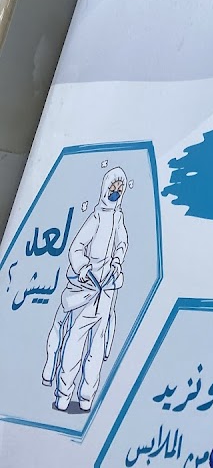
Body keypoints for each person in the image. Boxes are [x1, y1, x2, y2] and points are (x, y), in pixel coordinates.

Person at [42, 167, 128, 411]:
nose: (115, 192)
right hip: (88, 290)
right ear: (104, 188)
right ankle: (63, 394)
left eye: (119, 189)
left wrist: (116, 261)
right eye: (112, 188)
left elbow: (122, 243)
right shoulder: (96, 217)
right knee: (75, 343)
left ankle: (87, 396)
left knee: (96, 348)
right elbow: (76, 248)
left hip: (107, 291)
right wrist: (84, 269)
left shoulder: (118, 218)